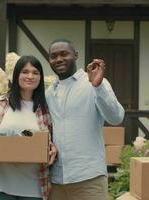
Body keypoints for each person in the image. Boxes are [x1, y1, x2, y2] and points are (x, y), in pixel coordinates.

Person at [46, 39, 125, 200]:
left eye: (64, 54)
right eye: (53, 56)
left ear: (75, 55)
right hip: (55, 181)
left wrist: (98, 87)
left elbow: (116, 117)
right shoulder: (48, 93)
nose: (59, 59)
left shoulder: (93, 83)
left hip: (89, 179)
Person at [0, 56, 57, 200]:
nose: (30, 76)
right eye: (25, 72)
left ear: (40, 78)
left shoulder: (46, 109)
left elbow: (50, 142)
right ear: (16, 75)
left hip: (33, 188)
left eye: (35, 72)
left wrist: (52, 149)